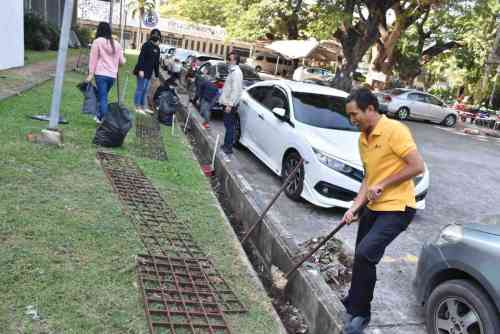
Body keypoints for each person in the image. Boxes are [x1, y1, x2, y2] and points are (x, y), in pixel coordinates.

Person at [341, 88, 425, 334]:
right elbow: (369, 179)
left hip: (399, 208)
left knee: (367, 253)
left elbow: (417, 166)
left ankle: (361, 315)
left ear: (370, 109)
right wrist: (354, 207)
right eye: (349, 115)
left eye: (355, 114)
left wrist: (385, 184)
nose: (352, 120)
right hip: (373, 206)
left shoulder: (395, 130)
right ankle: (354, 299)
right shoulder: (363, 139)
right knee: (360, 255)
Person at [86, 22, 126, 123]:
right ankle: (99, 117)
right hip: (112, 76)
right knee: (102, 96)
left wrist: (90, 74)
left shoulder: (98, 41)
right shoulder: (116, 44)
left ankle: (106, 119)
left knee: (102, 97)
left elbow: (93, 59)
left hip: (101, 74)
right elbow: (122, 61)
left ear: (99, 30)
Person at [219, 51, 243, 155]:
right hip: (228, 102)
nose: (228, 61)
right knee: (228, 125)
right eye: (228, 58)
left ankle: (228, 147)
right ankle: (226, 145)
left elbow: (236, 90)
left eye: (230, 59)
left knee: (229, 126)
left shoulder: (236, 72)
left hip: (230, 104)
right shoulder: (232, 71)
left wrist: (230, 104)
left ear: (235, 60)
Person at [133, 29, 161, 114]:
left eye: (158, 36)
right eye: (155, 36)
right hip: (142, 71)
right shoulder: (146, 45)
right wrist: (140, 70)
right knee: (140, 89)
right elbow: (141, 58)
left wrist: (156, 75)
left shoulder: (157, 48)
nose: (157, 38)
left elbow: (156, 62)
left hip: (149, 72)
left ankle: (144, 107)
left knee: (146, 90)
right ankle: (137, 106)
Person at [198, 65, 219, 129]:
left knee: (206, 110)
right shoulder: (206, 79)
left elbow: (201, 88)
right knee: (204, 110)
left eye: (205, 70)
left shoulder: (207, 79)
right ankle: (205, 122)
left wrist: (200, 96)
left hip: (211, 97)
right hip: (210, 96)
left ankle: (206, 123)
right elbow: (201, 88)